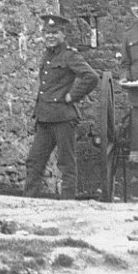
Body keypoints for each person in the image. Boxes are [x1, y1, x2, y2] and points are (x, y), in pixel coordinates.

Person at [23, 14, 98, 199]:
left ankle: (67, 205)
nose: (50, 36)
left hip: (63, 118)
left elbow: (91, 77)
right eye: (47, 33)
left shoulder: (70, 55)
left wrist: (72, 95)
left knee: (66, 164)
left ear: (63, 35)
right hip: (44, 118)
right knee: (34, 162)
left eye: (55, 33)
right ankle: (28, 202)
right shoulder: (46, 56)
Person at [121, 0, 138, 167]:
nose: (137, 9)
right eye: (134, 5)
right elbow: (125, 63)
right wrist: (124, 76)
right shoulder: (129, 34)